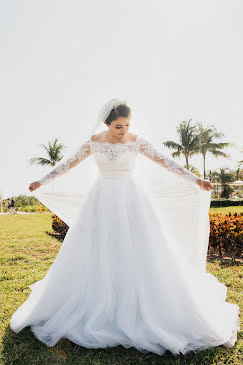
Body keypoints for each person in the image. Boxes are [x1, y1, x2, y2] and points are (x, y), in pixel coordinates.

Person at [10, 99, 240, 357]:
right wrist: (40, 181)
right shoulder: (94, 141)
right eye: (119, 126)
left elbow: (165, 161)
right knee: (100, 249)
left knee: (143, 249)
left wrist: (195, 179)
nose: (123, 130)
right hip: (102, 200)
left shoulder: (136, 140)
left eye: (127, 124)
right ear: (107, 123)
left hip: (133, 200)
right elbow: (68, 163)